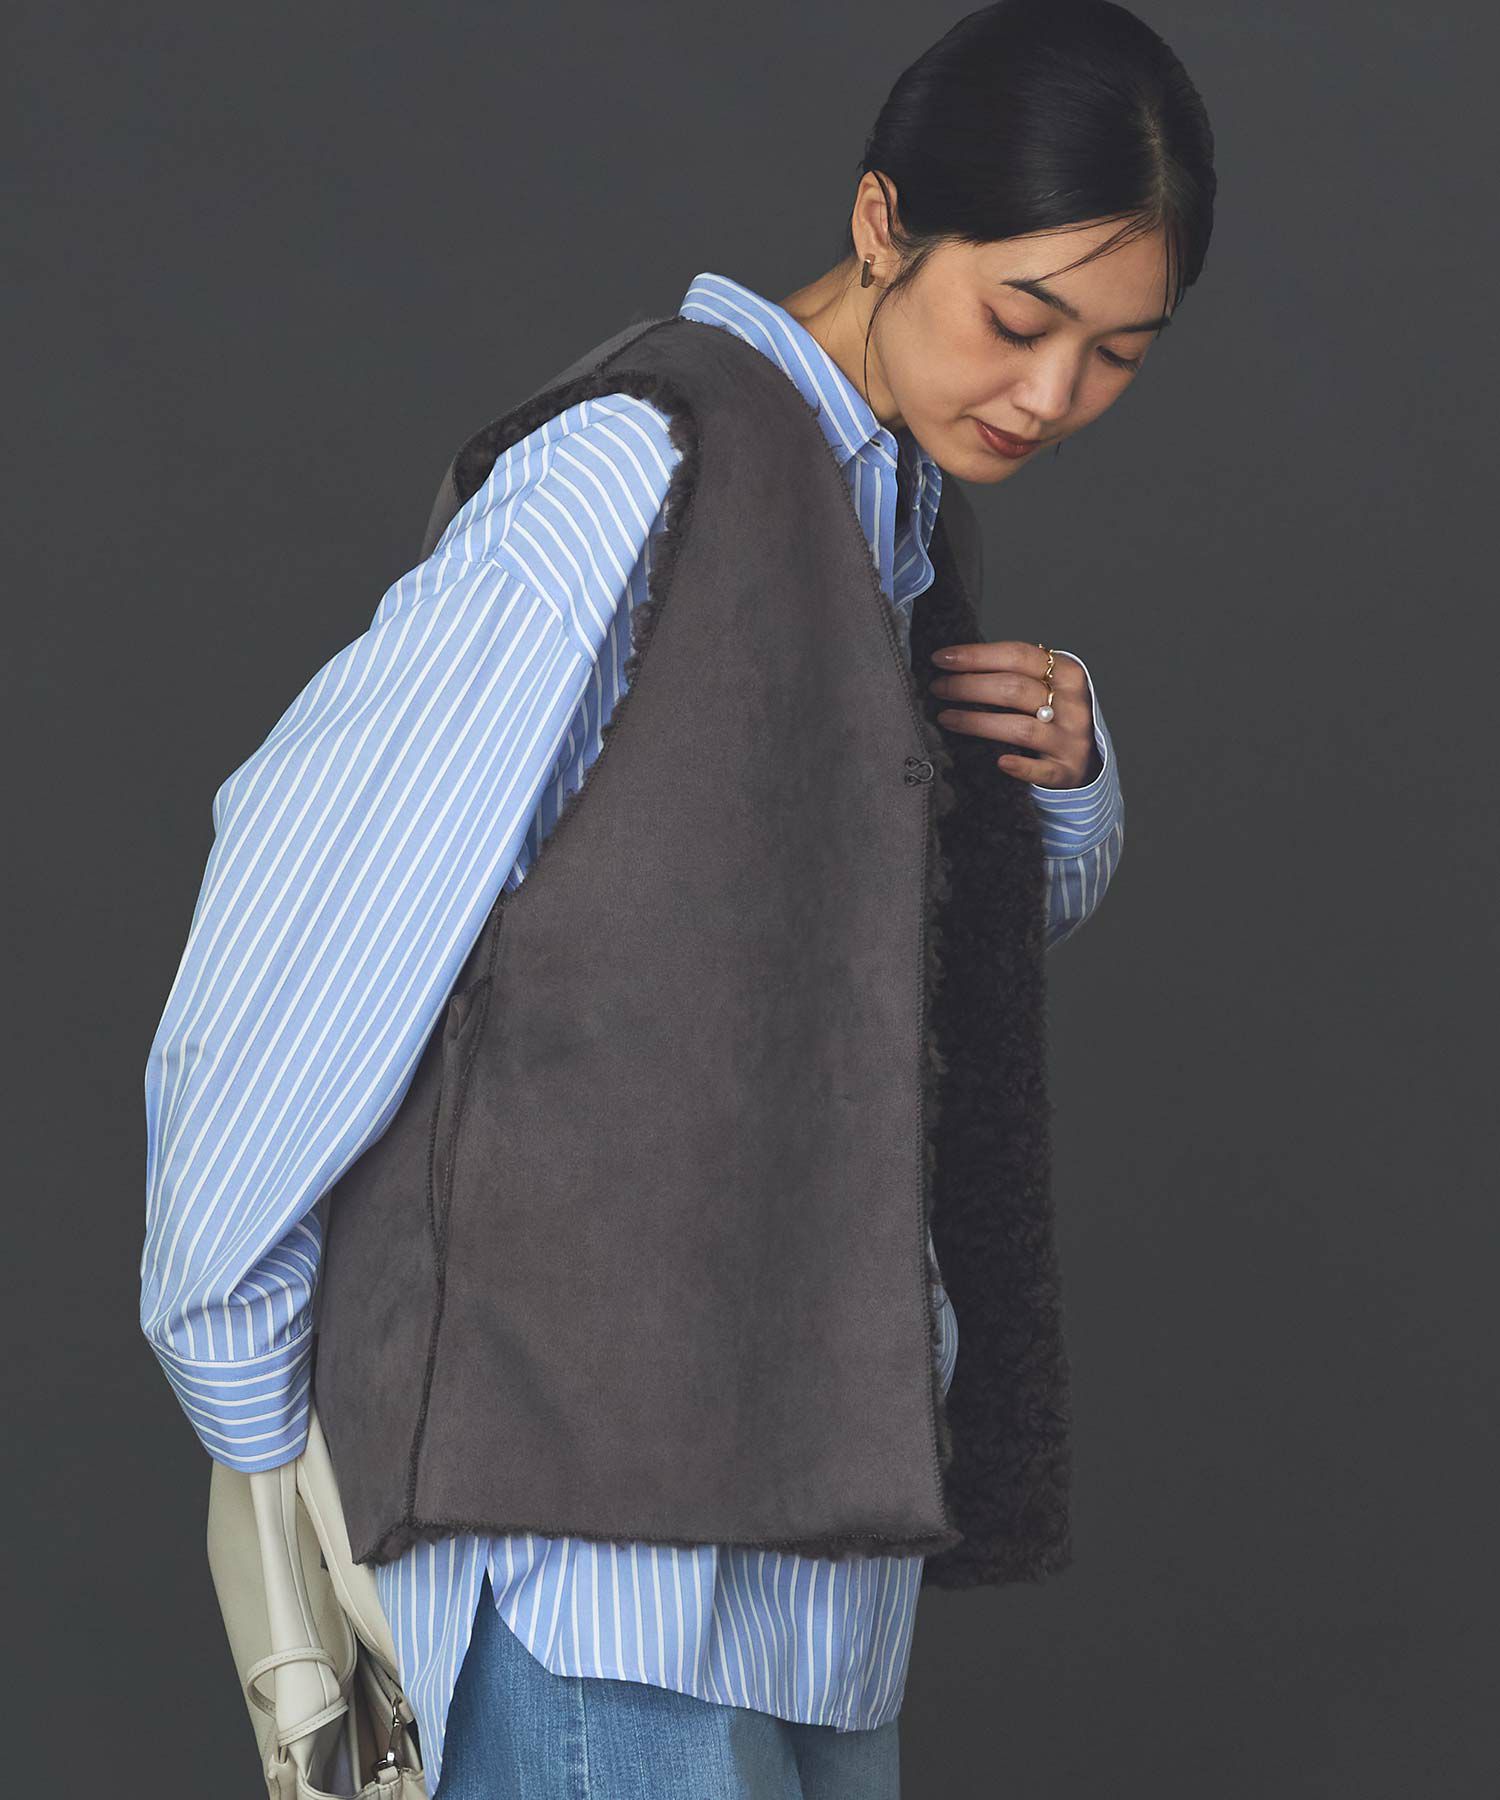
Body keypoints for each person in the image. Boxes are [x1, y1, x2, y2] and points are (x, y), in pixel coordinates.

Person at [139, 2, 1215, 1793]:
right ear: (883, 222)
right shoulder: (627, 476)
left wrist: (1064, 787)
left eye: (1117, 355)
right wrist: (253, 1405)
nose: (1049, 397)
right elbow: (304, 916)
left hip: (820, 1538)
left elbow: (857, 970)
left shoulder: (897, 522)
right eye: (1022, 319)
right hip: (595, 1540)